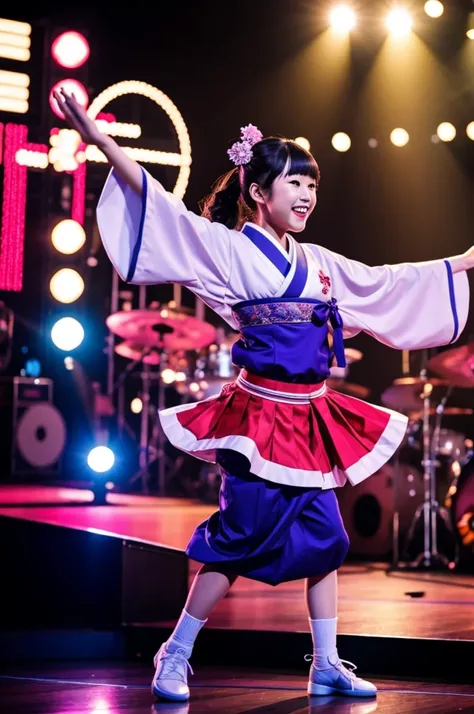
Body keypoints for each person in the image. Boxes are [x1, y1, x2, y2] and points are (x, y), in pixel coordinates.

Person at [55, 89, 472, 702]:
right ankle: (175, 653)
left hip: (311, 418)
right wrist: (97, 135)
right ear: (258, 191)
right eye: (295, 183)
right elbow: (156, 204)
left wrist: (460, 263)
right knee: (239, 536)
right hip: (257, 420)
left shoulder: (318, 261)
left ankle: (326, 661)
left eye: (312, 186)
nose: (306, 195)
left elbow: (386, 284)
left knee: (328, 540)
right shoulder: (226, 249)